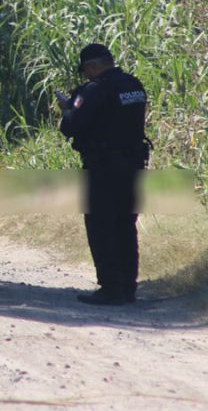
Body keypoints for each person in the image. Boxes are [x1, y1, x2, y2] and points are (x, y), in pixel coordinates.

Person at [57, 44, 150, 306]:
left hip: (103, 166)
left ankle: (111, 289)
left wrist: (67, 109)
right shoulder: (133, 85)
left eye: (86, 69)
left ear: (93, 66)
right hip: (134, 164)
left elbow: (72, 126)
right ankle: (128, 288)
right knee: (125, 224)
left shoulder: (95, 89)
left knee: (101, 226)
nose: (86, 74)